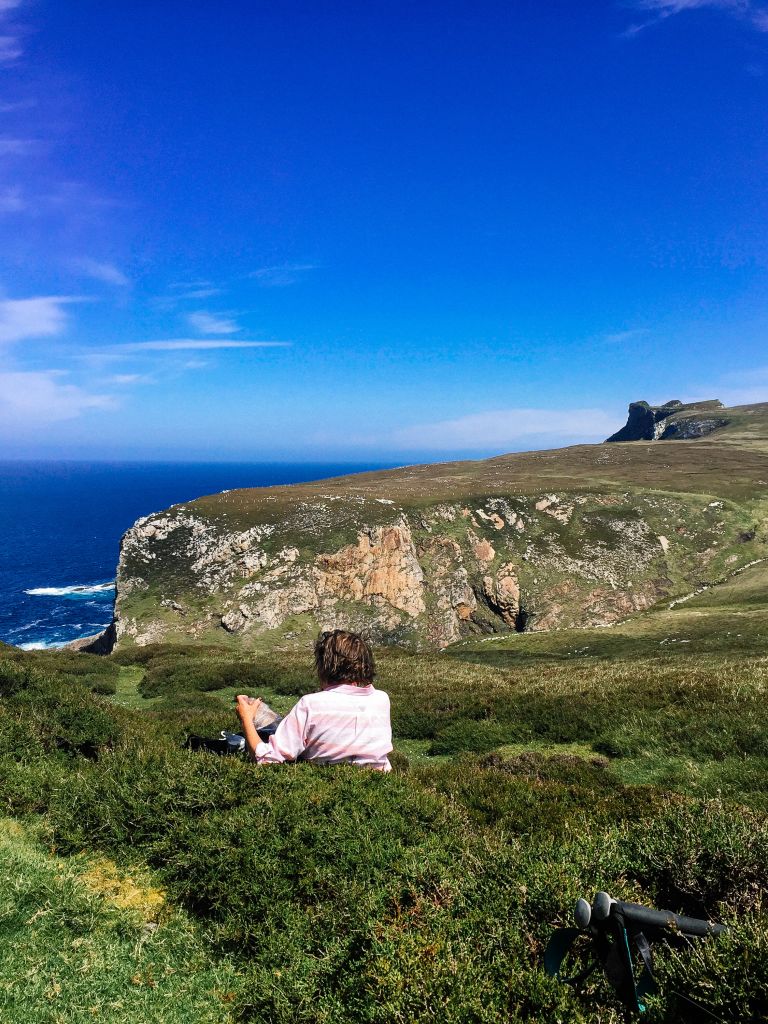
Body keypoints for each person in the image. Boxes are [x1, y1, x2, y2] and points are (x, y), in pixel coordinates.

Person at [234, 629, 393, 772]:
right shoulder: (381, 699)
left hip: (328, 784)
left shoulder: (310, 704)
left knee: (266, 728)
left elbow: (268, 761)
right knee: (277, 724)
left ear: (323, 667)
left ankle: (252, 715)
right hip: (380, 782)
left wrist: (246, 718)